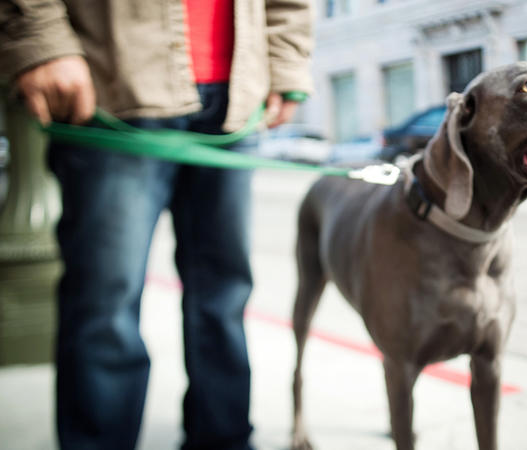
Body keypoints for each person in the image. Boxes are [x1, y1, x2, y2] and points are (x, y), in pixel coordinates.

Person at [0, 0, 313, 449]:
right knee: (104, 301)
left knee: (224, 296)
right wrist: (39, 41)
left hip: (237, 100)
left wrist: (285, 64)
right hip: (113, 86)